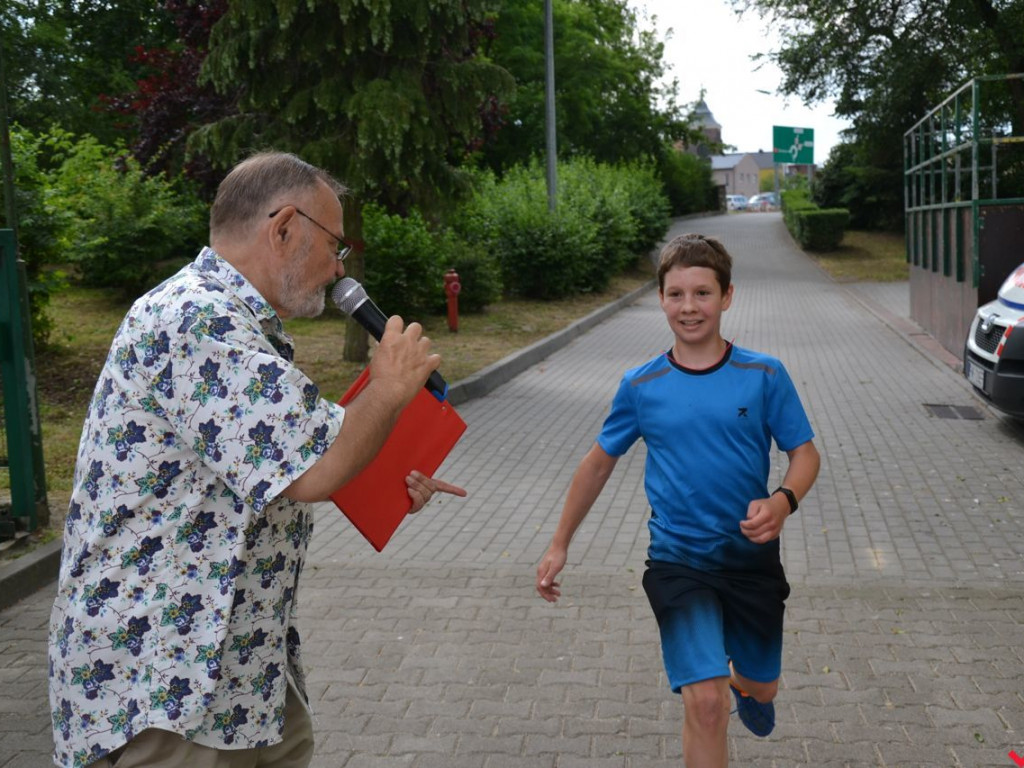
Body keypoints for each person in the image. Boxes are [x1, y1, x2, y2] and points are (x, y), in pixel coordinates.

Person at [48, 151, 466, 768]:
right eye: (335, 245)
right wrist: (388, 387)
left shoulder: (238, 325)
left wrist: (385, 472)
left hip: (241, 670)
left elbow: (283, 459)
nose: (338, 268)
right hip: (170, 683)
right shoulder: (196, 321)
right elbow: (313, 470)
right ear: (284, 227)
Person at [535, 233, 820, 767]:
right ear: (660, 299)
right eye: (676, 294)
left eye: (703, 293)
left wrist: (782, 501)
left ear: (727, 296)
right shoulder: (642, 385)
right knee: (705, 704)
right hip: (677, 561)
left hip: (750, 560)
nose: (689, 307)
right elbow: (598, 462)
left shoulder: (763, 375)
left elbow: (806, 454)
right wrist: (559, 543)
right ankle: (718, 689)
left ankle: (747, 685)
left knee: (763, 688)